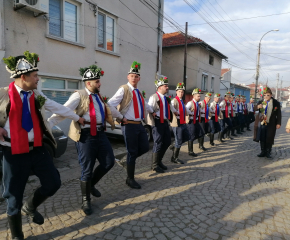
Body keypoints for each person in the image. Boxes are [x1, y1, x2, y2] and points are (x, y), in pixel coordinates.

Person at [0, 51, 85, 240]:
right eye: (35, 76)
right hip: (13, 152)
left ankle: (30, 206)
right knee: (13, 196)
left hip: (38, 149)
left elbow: (57, 107)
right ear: (23, 77)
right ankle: (17, 236)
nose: (38, 79)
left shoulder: (36, 95)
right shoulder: (3, 94)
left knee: (53, 183)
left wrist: (77, 117)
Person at [48, 65, 118, 215]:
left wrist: (121, 117)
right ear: (88, 83)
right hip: (86, 136)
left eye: (99, 81)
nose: (100, 84)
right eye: (97, 81)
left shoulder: (98, 96)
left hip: (100, 134)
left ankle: (91, 184)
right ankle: (85, 200)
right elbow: (64, 110)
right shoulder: (78, 95)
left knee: (109, 162)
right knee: (87, 168)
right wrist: (48, 124)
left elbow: (107, 110)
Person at [108, 61, 155, 189]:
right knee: (132, 151)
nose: (134, 78)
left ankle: (125, 159)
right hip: (128, 125)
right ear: (128, 77)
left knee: (145, 147)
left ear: (139, 78)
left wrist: (153, 111)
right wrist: (120, 117)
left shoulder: (139, 92)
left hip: (139, 124)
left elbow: (145, 105)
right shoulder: (124, 89)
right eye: (132, 75)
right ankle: (130, 179)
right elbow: (110, 103)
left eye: (136, 76)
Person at [147, 76, 173, 173]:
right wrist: (152, 112)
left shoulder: (165, 98)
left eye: (167, 86)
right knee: (158, 142)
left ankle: (159, 161)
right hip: (157, 122)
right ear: (159, 87)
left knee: (167, 142)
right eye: (165, 86)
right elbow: (149, 107)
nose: (167, 87)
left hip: (165, 122)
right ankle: (154, 165)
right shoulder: (154, 97)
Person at [255, 87, 281, 159]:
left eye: (268, 95)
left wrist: (278, 123)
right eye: (265, 95)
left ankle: (268, 152)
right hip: (263, 122)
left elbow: (279, 114)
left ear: (271, 95)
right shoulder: (261, 102)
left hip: (271, 123)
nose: (266, 97)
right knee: (262, 137)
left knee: (269, 137)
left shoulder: (276, 103)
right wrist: (257, 107)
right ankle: (263, 151)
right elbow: (254, 109)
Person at [169, 83, 190, 164]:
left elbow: (185, 110)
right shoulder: (174, 100)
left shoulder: (181, 101)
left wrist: (191, 112)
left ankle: (174, 146)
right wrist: (175, 112)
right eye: (179, 91)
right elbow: (171, 108)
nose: (181, 93)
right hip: (177, 122)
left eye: (182, 92)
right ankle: (174, 158)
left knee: (187, 136)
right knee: (179, 140)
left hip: (183, 122)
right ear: (176, 92)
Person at [186, 88, 205, 155]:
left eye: (199, 96)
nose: (199, 97)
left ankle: (201, 146)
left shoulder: (197, 103)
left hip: (196, 120)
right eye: (198, 96)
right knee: (191, 135)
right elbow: (185, 109)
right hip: (191, 121)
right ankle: (190, 151)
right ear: (193, 96)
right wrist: (190, 112)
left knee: (201, 133)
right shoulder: (190, 103)